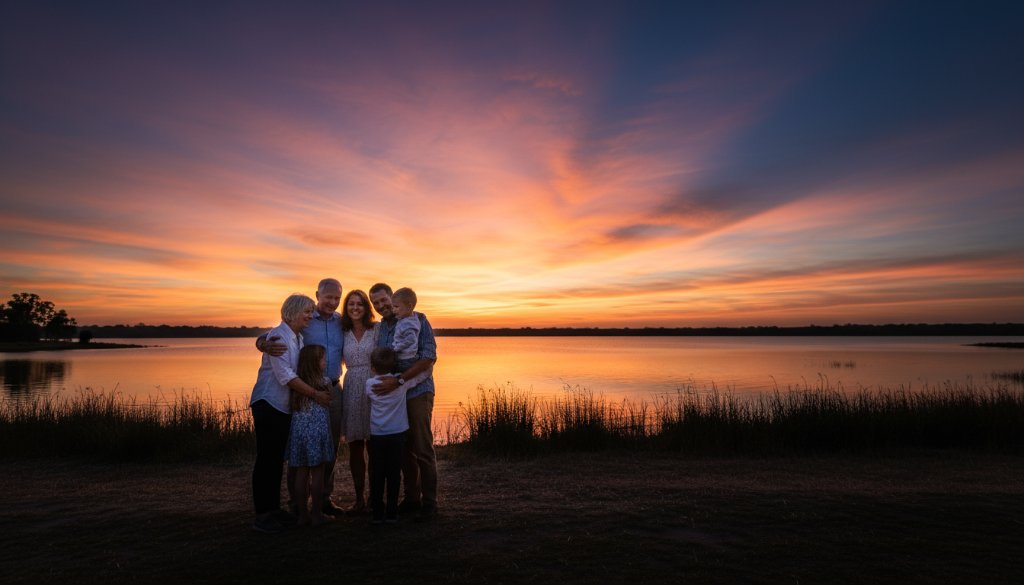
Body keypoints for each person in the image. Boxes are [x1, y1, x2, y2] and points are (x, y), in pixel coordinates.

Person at [256, 278, 346, 518]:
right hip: (304, 391)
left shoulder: (341, 322)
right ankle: (297, 504)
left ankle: (323, 500)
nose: (333, 302)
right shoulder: (304, 319)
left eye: (337, 298)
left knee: (330, 446)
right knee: (298, 448)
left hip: (333, 389)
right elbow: (276, 333)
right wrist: (261, 343)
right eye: (328, 297)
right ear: (318, 295)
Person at [249, 293, 329, 534]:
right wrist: (316, 395)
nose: (311, 316)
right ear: (292, 311)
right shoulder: (278, 337)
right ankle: (262, 515)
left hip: (283, 406)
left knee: (276, 460)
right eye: (307, 311)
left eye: (312, 311)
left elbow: (302, 370)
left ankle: (273, 510)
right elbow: (286, 376)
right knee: (266, 460)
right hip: (268, 402)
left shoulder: (298, 338)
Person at [368, 283, 439, 521]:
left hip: (417, 390)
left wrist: (399, 380)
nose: (381, 306)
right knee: (404, 450)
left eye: (383, 300)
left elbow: (429, 357)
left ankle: (429, 502)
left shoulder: (418, 320)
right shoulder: (380, 329)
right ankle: (411, 499)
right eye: (375, 303)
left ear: (392, 297)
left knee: (422, 447)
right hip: (394, 396)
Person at [338, 289, 379, 514]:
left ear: (366, 308)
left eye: (360, 304)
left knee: (374, 444)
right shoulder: (341, 332)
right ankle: (359, 498)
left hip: (373, 386)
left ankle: (374, 496)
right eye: (351, 304)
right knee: (355, 445)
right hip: (352, 384)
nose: (355, 308)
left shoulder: (377, 330)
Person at [288, 344, 336, 526]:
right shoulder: (324, 382)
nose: (326, 361)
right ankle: (316, 514)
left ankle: (302, 515)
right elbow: (329, 400)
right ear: (315, 363)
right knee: (318, 472)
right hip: (317, 432)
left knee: (301, 472)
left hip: (300, 432)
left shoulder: (297, 384)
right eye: (323, 359)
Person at [364, 347, 409, 524]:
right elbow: (417, 377)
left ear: (372, 368)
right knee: (394, 473)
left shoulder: (369, 384)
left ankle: (377, 513)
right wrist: (399, 378)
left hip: (378, 434)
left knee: (377, 473)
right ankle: (392, 512)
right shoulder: (400, 384)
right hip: (397, 434)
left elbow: (370, 396)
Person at [390, 287, 432, 390]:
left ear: (409, 306)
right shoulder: (404, 319)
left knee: (426, 369)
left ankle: (410, 382)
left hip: (407, 358)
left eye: (396, 307)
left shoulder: (409, 322)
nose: (393, 310)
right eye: (393, 307)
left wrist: (397, 347)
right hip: (405, 357)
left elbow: (411, 339)